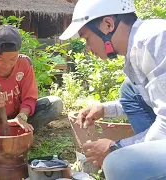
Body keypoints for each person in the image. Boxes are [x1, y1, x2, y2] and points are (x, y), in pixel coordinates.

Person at [59, 0, 166, 179]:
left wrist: (116, 149)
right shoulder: (139, 45)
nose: (88, 48)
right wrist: (106, 109)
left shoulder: (155, 41)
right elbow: (155, 98)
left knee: (118, 165)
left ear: (108, 24)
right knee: (129, 90)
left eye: (86, 38)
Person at [0, 25, 63, 160]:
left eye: (13, 59)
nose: (7, 64)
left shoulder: (25, 63)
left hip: (19, 117)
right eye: (0, 59)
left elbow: (30, 97)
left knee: (55, 103)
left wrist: (21, 117)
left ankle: (22, 133)